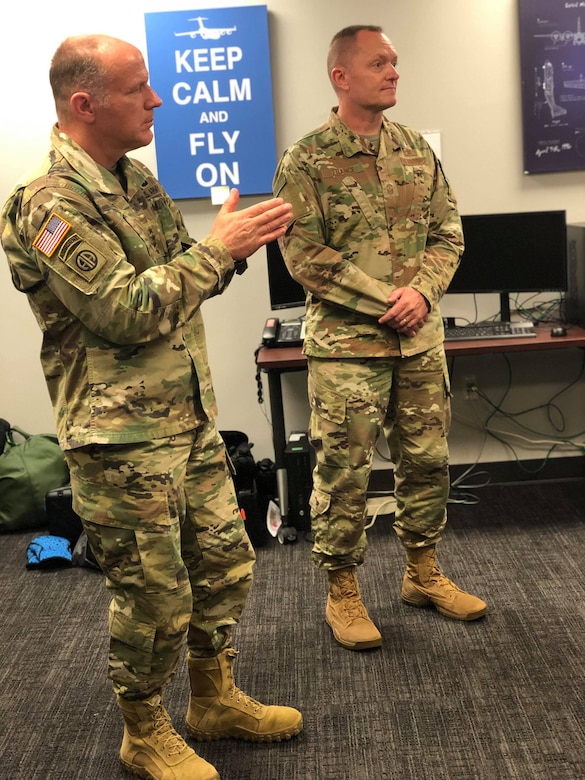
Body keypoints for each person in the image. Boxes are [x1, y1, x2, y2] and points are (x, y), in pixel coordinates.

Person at [0, 34, 302, 780]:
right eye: (139, 88)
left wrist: (231, 248)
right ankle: (144, 732)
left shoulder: (133, 181)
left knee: (225, 565)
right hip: (119, 440)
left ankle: (212, 700)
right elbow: (126, 311)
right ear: (85, 103)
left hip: (186, 419)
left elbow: (180, 279)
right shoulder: (47, 204)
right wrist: (217, 249)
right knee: (153, 595)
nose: (156, 100)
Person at [273, 25, 487, 652]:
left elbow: (449, 231)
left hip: (418, 342)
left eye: (395, 62)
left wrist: (420, 294)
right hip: (347, 349)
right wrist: (382, 299)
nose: (394, 72)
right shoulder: (306, 159)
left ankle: (422, 574)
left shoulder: (416, 148)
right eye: (379, 63)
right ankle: (342, 590)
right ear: (341, 76)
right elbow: (303, 254)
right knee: (342, 472)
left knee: (427, 463)